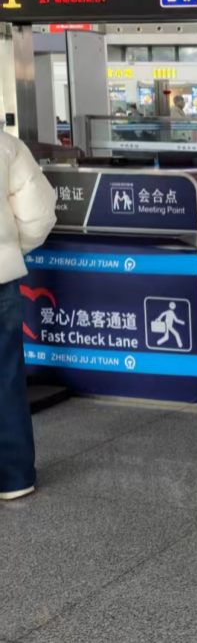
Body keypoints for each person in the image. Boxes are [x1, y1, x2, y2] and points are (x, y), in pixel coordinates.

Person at [0, 131, 59, 501]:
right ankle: (15, 478)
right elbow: (39, 213)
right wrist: (9, 250)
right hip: (1, 278)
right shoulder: (5, 145)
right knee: (6, 376)